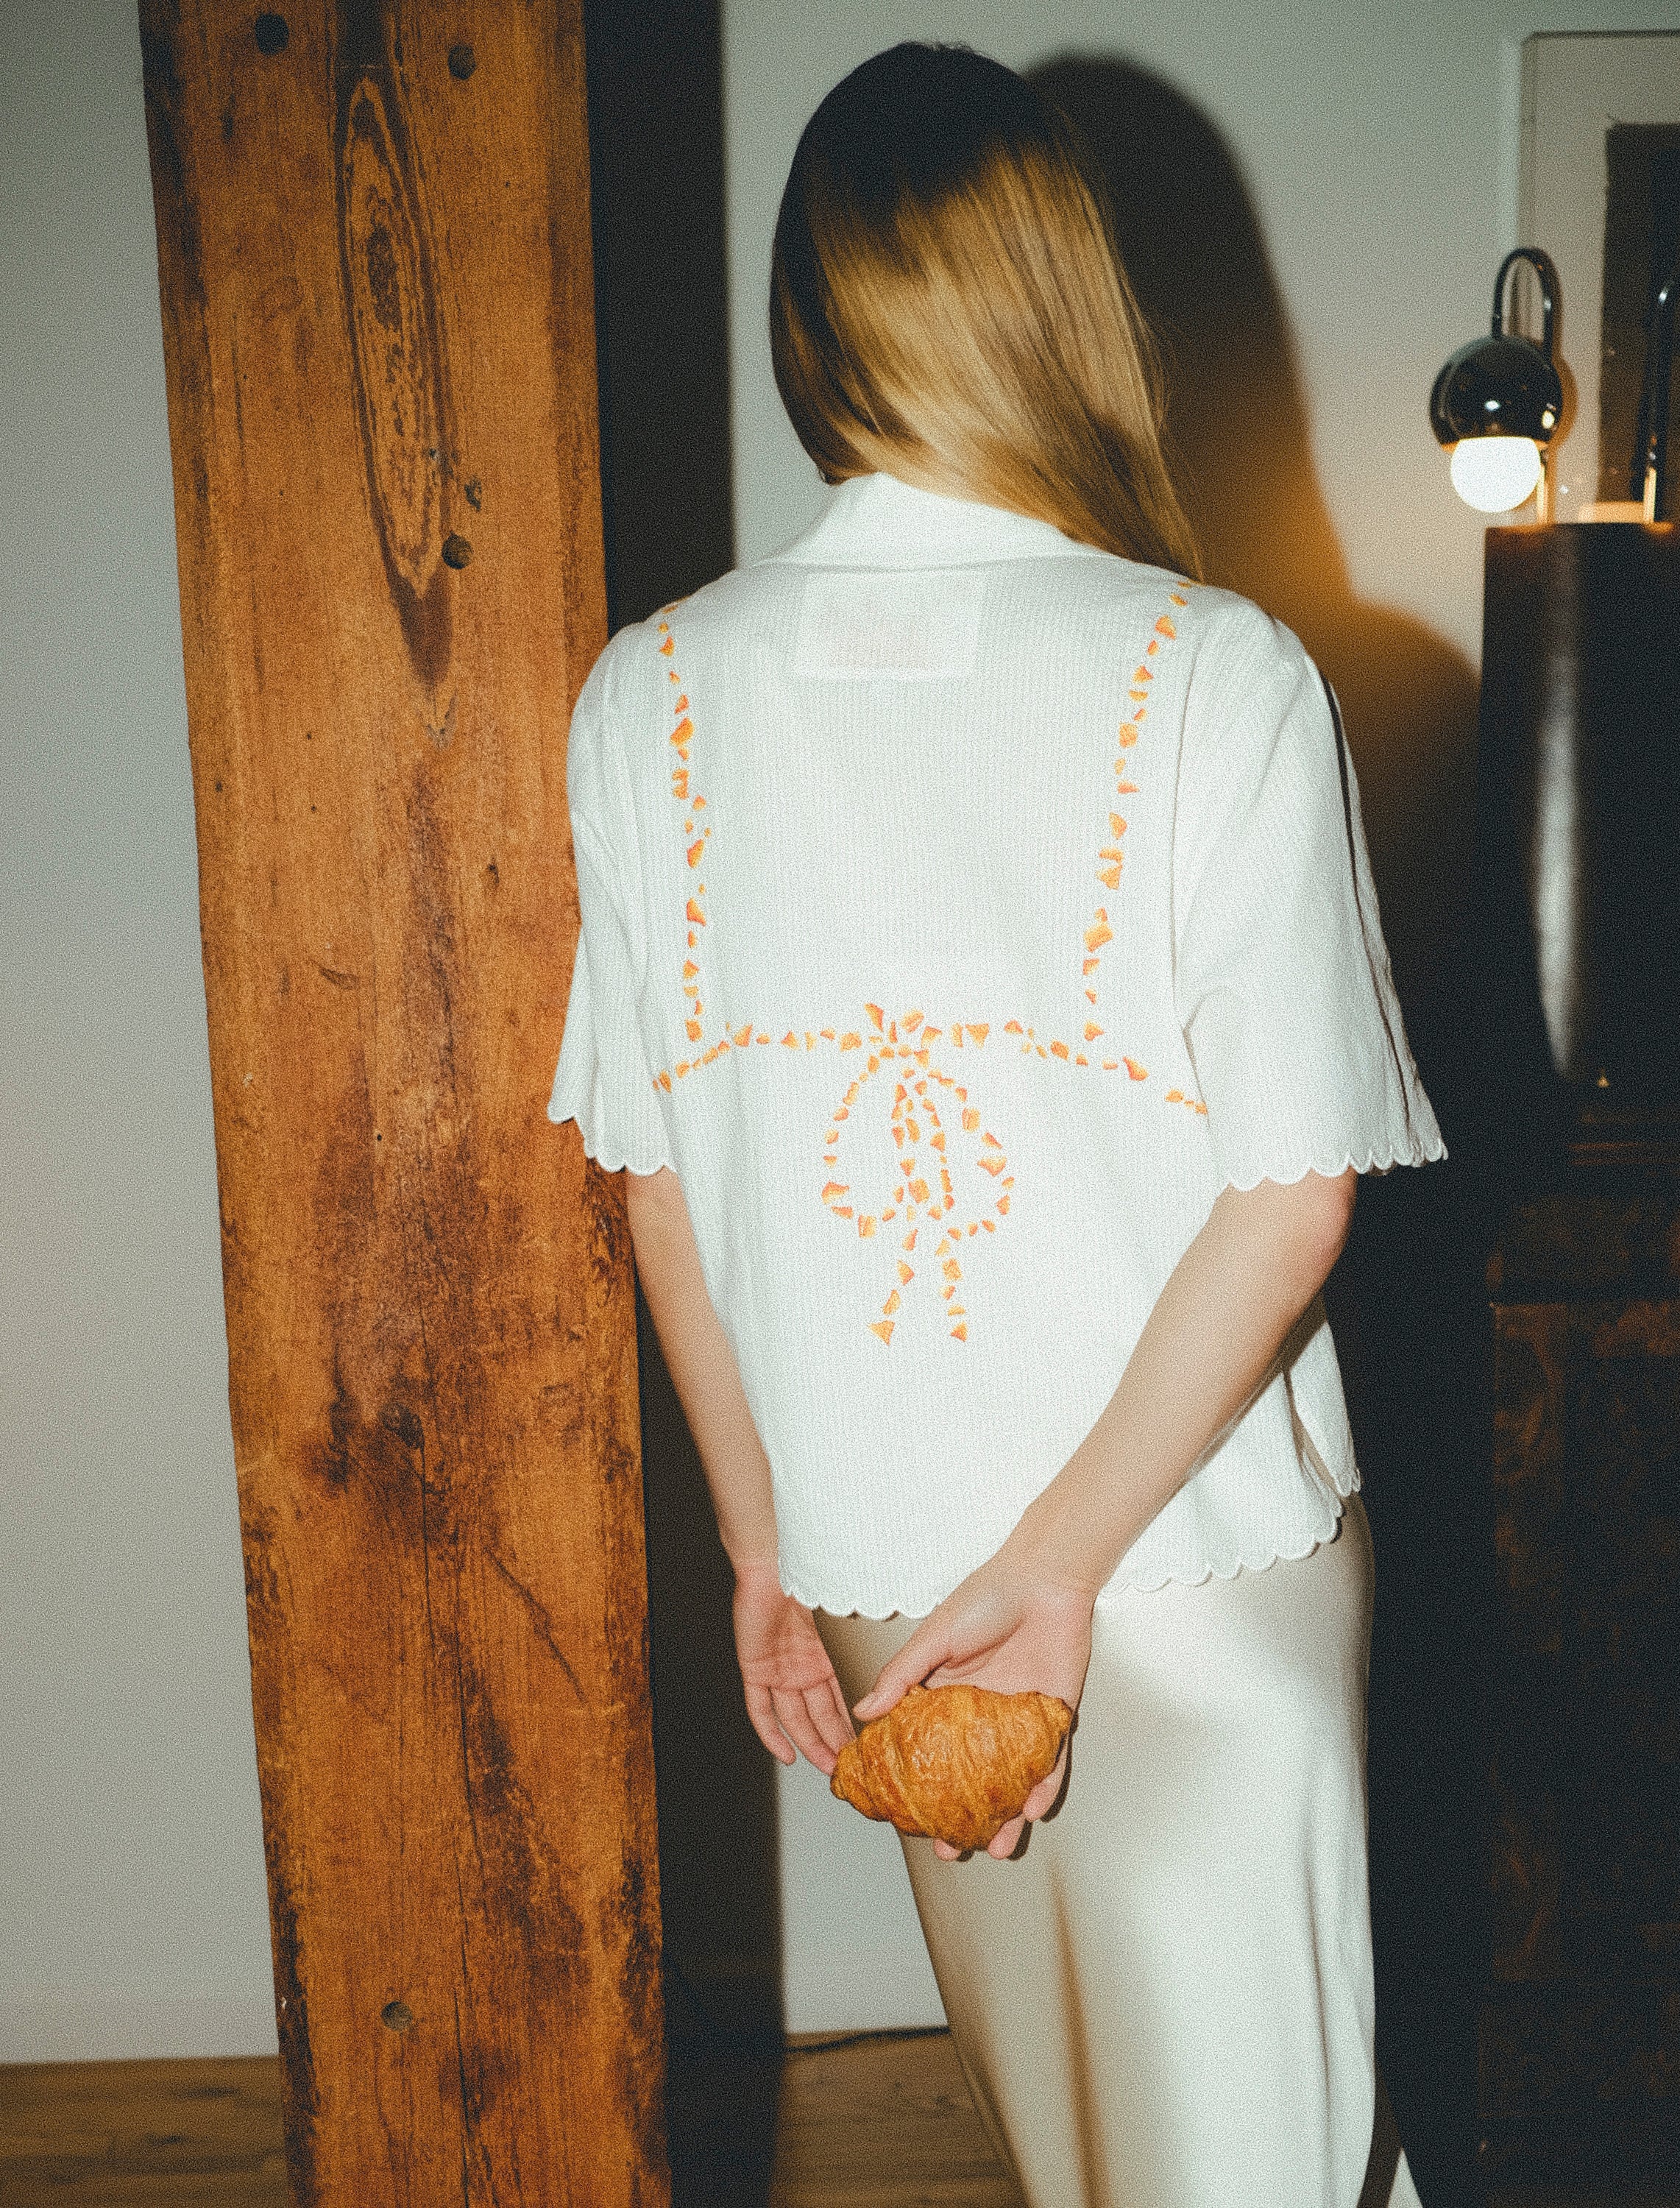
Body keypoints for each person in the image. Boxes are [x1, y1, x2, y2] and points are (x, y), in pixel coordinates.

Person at [550, 40, 1442, 2208]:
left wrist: (771, 1555)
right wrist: (1053, 1579)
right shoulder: (1214, 671)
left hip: (888, 1589)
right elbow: (1290, 1193)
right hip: (1182, 1579)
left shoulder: (646, 689)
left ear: (810, 321)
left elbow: (659, 1185)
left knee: (1086, 2162)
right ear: (1070, 298)